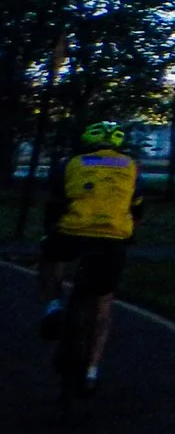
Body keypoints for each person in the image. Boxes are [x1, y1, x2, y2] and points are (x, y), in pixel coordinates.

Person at [36, 121, 143, 395]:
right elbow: (137, 208)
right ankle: (92, 371)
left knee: (51, 258)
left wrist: (50, 232)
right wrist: (129, 234)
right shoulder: (131, 167)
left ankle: (53, 306)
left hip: (73, 231)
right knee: (102, 302)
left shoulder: (71, 164)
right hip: (112, 237)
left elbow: (55, 205)